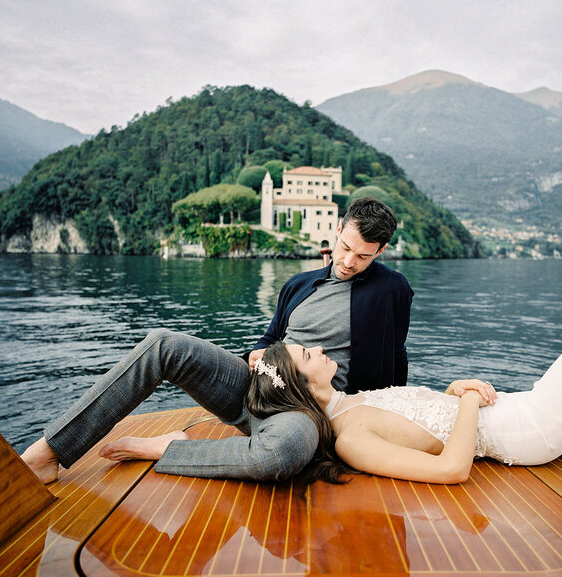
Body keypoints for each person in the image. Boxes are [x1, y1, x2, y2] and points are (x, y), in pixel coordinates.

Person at [21, 197, 413, 484]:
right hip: (258, 388)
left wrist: (390, 423)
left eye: (363, 256)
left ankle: (168, 448)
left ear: (380, 250)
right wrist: (255, 353)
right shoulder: (299, 284)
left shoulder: (392, 289)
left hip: (307, 414)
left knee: (282, 454)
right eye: (345, 248)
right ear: (337, 232)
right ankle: (47, 453)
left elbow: (395, 360)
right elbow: (270, 337)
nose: (348, 262)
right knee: (164, 344)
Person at [217, 301, 562, 483]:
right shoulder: (351, 439)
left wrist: (454, 389)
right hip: (524, 431)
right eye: (306, 355)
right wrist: (469, 398)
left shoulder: (352, 398)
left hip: (513, 405)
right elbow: (452, 468)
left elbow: (424, 417)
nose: (317, 348)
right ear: (301, 384)